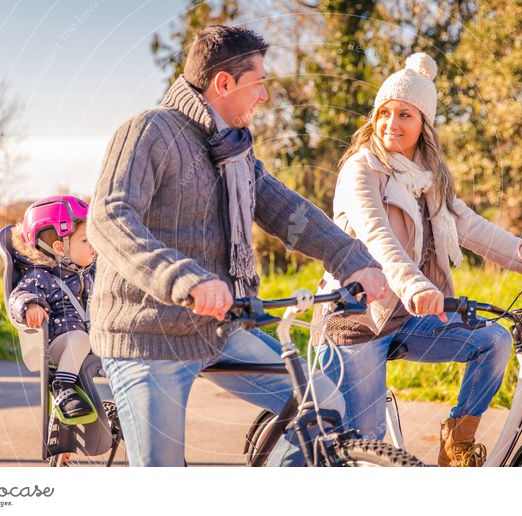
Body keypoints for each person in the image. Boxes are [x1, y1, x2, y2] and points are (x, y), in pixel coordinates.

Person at [86, 25, 387, 466]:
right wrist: (185, 278)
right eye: (259, 83)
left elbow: (285, 209)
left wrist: (351, 258)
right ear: (223, 83)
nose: (264, 96)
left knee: (322, 405)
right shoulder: (149, 130)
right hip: (147, 335)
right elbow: (108, 218)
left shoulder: (234, 151)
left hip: (217, 329)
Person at [315, 53, 522, 467]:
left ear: (423, 123)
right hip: (357, 318)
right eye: (384, 113)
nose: (391, 123)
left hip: (407, 316)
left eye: (404, 114)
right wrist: (415, 284)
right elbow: (377, 235)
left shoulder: (430, 179)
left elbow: (474, 229)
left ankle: (455, 446)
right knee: (366, 450)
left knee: (492, 341)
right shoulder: (361, 168)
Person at [9, 196, 97, 419]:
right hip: (59, 341)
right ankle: (62, 389)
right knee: (79, 339)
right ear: (59, 247)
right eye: (86, 241)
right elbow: (20, 295)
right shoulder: (42, 276)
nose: (94, 247)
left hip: (90, 338)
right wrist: (31, 305)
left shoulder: (89, 273)